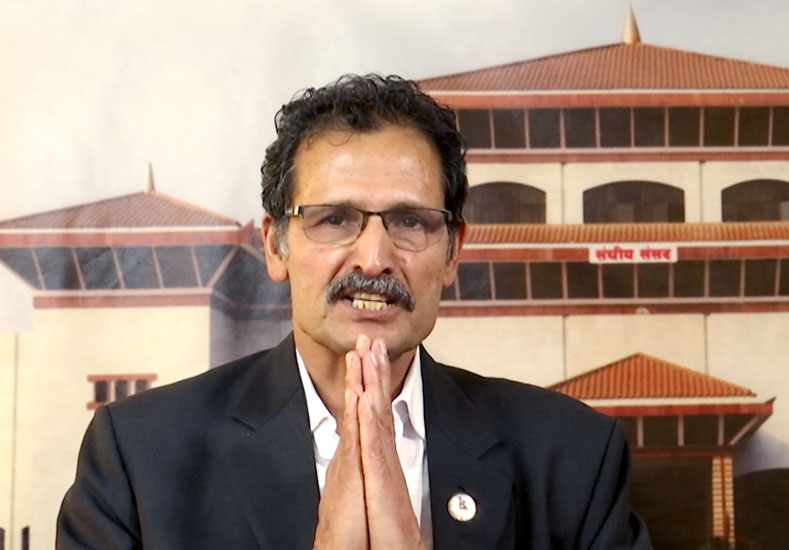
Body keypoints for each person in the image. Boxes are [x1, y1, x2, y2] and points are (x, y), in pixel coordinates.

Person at [57, 74, 651, 549]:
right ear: (275, 246)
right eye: (335, 219)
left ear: (451, 252)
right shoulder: (141, 457)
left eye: (410, 221)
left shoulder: (572, 456)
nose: (374, 258)